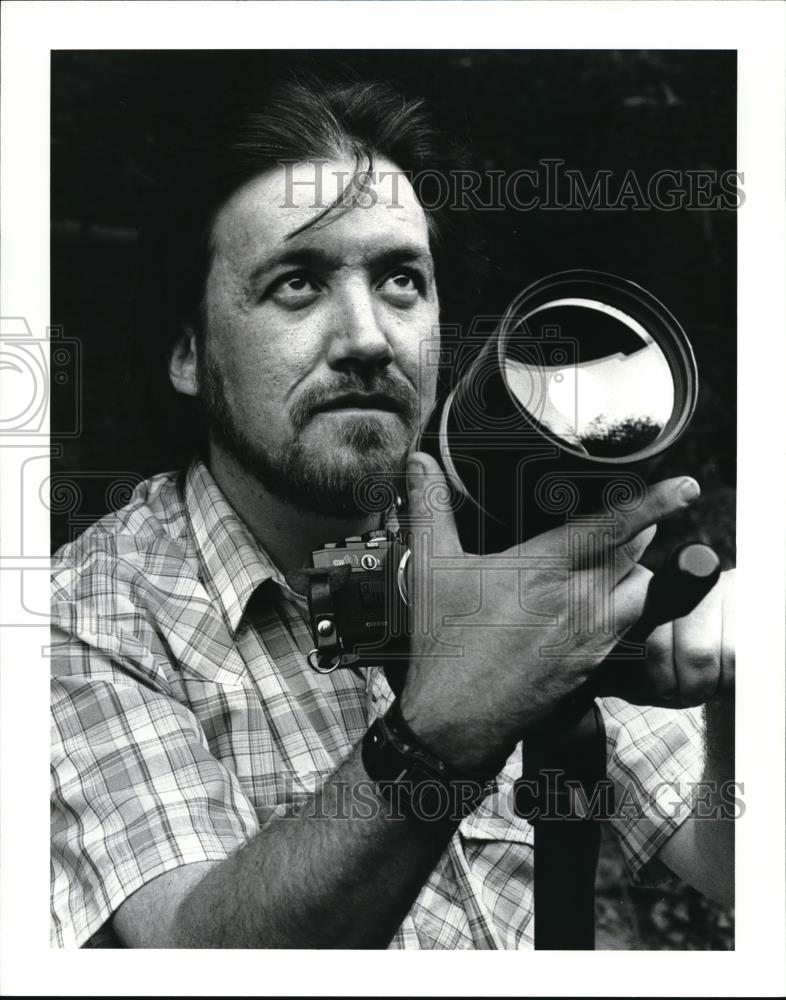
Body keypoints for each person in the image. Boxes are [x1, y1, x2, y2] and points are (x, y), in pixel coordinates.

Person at [50, 77, 735, 949]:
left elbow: (732, 862)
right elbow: (194, 948)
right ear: (189, 352)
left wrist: (740, 701)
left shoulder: (506, 534)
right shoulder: (84, 615)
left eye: (402, 279)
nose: (368, 336)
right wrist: (444, 727)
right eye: (296, 284)